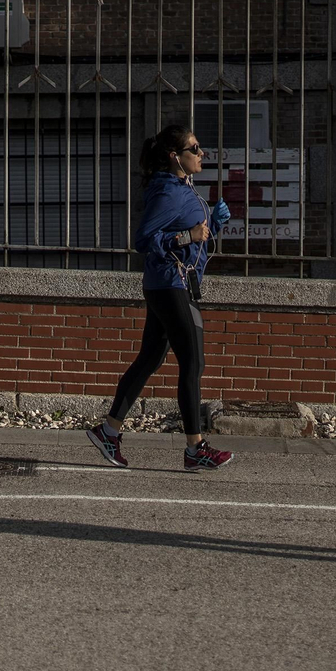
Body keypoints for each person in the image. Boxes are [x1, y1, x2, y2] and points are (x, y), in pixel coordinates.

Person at [85, 123, 234, 472]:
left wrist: (214, 222)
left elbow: (193, 236)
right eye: (194, 149)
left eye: (199, 148)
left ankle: (109, 431)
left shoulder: (183, 187)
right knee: (193, 362)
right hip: (171, 285)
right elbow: (145, 240)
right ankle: (195, 448)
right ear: (175, 157)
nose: (201, 154)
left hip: (171, 283)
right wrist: (188, 235)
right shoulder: (167, 191)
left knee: (149, 360)